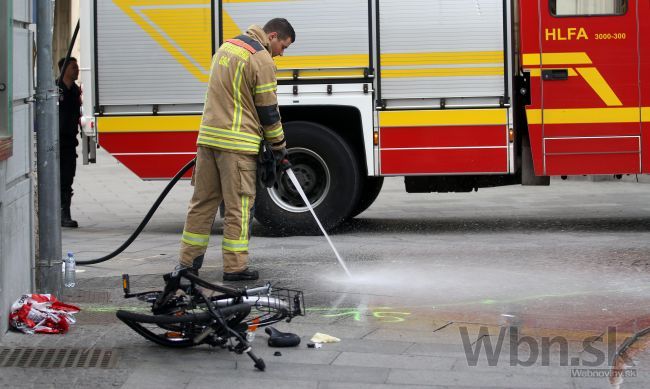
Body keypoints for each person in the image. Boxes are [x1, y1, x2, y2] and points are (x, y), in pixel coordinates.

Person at [176, 19, 295, 281]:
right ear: (272, 35)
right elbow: (268, 111)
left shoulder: (226, 47)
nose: (282, 53)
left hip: (208, 139)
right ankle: (235, 267)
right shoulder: (261, 59)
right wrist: (279, 148)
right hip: (237, 144)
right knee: (239, 207)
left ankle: (187, 265)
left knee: (202, 204)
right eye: (283, 46)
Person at [57, 57, 82, 228]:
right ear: (64, 69)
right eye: (74, 67)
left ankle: (65, 213)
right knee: (57, 180)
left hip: (70, 142)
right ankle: (58, 214)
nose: (77, 69)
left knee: (67, 179)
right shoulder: (55, 89)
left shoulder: (74, 90)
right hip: (56, 142)